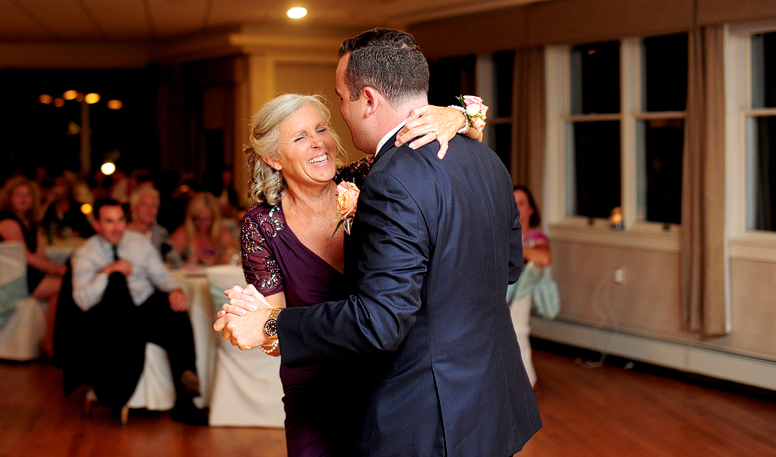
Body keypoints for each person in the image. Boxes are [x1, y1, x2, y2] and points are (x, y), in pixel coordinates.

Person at [216, 27, 542, 457]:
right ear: (273, 158)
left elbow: (380, 320)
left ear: (367, 99)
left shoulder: (383, 179)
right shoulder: (486, 159)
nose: (331, 128)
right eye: (300, 137)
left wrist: (268, 324)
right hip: (483, 402)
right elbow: (509, 268)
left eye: (339, 103)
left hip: (421, 404)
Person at [70, 198, 204, 423]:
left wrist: (176, 289)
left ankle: (186, 396)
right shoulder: (86, 253)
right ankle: (119, 390)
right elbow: (82, 301)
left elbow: (161, 277)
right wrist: (107, 272)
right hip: (111, 319)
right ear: (97, 225)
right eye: (109, 221)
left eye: (120, 220)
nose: (117, 227)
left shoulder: (139, 243)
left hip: (143, 307)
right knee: (116, 283)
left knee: (176, 311)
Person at [0, 175, 67, 356]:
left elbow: (40, 256)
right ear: (9, 198)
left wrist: (57, 270)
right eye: (18, 195)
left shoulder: (28, 222)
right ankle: (50, 343)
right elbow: (26, 257)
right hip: (14, 279)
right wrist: (58, 270)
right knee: (65, 287)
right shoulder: (8, 222)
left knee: (63, 286)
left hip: (25, 275)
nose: (23, 199)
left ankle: (51, 341)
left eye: (28, 195)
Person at [508, 185, 556, 389]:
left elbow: (544, 258)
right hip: (498, 293)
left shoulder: (535, 238)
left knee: (517, 331)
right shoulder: (502, 234)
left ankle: (528, 384)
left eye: (522, 203)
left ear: (531, 210)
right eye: (513, 202)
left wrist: (515, 245)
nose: (517, 207)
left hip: (518, 295)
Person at [169, 192, 237, 267]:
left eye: (207, 219)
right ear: (191, 218)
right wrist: (186, 264)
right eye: (199, 219)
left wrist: (217, 261)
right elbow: (168, 264)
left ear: (214, 219)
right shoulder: (181, 234)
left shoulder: (223, 234)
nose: (203, 223)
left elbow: (235, 260)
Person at [126, 185, 173, 262]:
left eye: (154, 205)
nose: (150, 209)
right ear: (133, 208)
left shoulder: (161, 233)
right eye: (144, 204)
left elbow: (175, 261)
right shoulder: (123, 233)